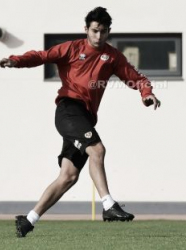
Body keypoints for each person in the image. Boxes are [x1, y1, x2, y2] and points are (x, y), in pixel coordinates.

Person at [0, 7, 160, 238]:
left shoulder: (113, 56)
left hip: (85, 118)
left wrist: (146, 93)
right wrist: (16, 61)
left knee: (68, 176)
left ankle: (28, 219)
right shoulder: (71, 48)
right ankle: (108, 206)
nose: (98, 36)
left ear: (108, 32)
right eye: (94, 31)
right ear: (86, 29)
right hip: (68, 110)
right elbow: (41, 56)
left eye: (103, 32)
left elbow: (136, 78)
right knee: (97, 149)